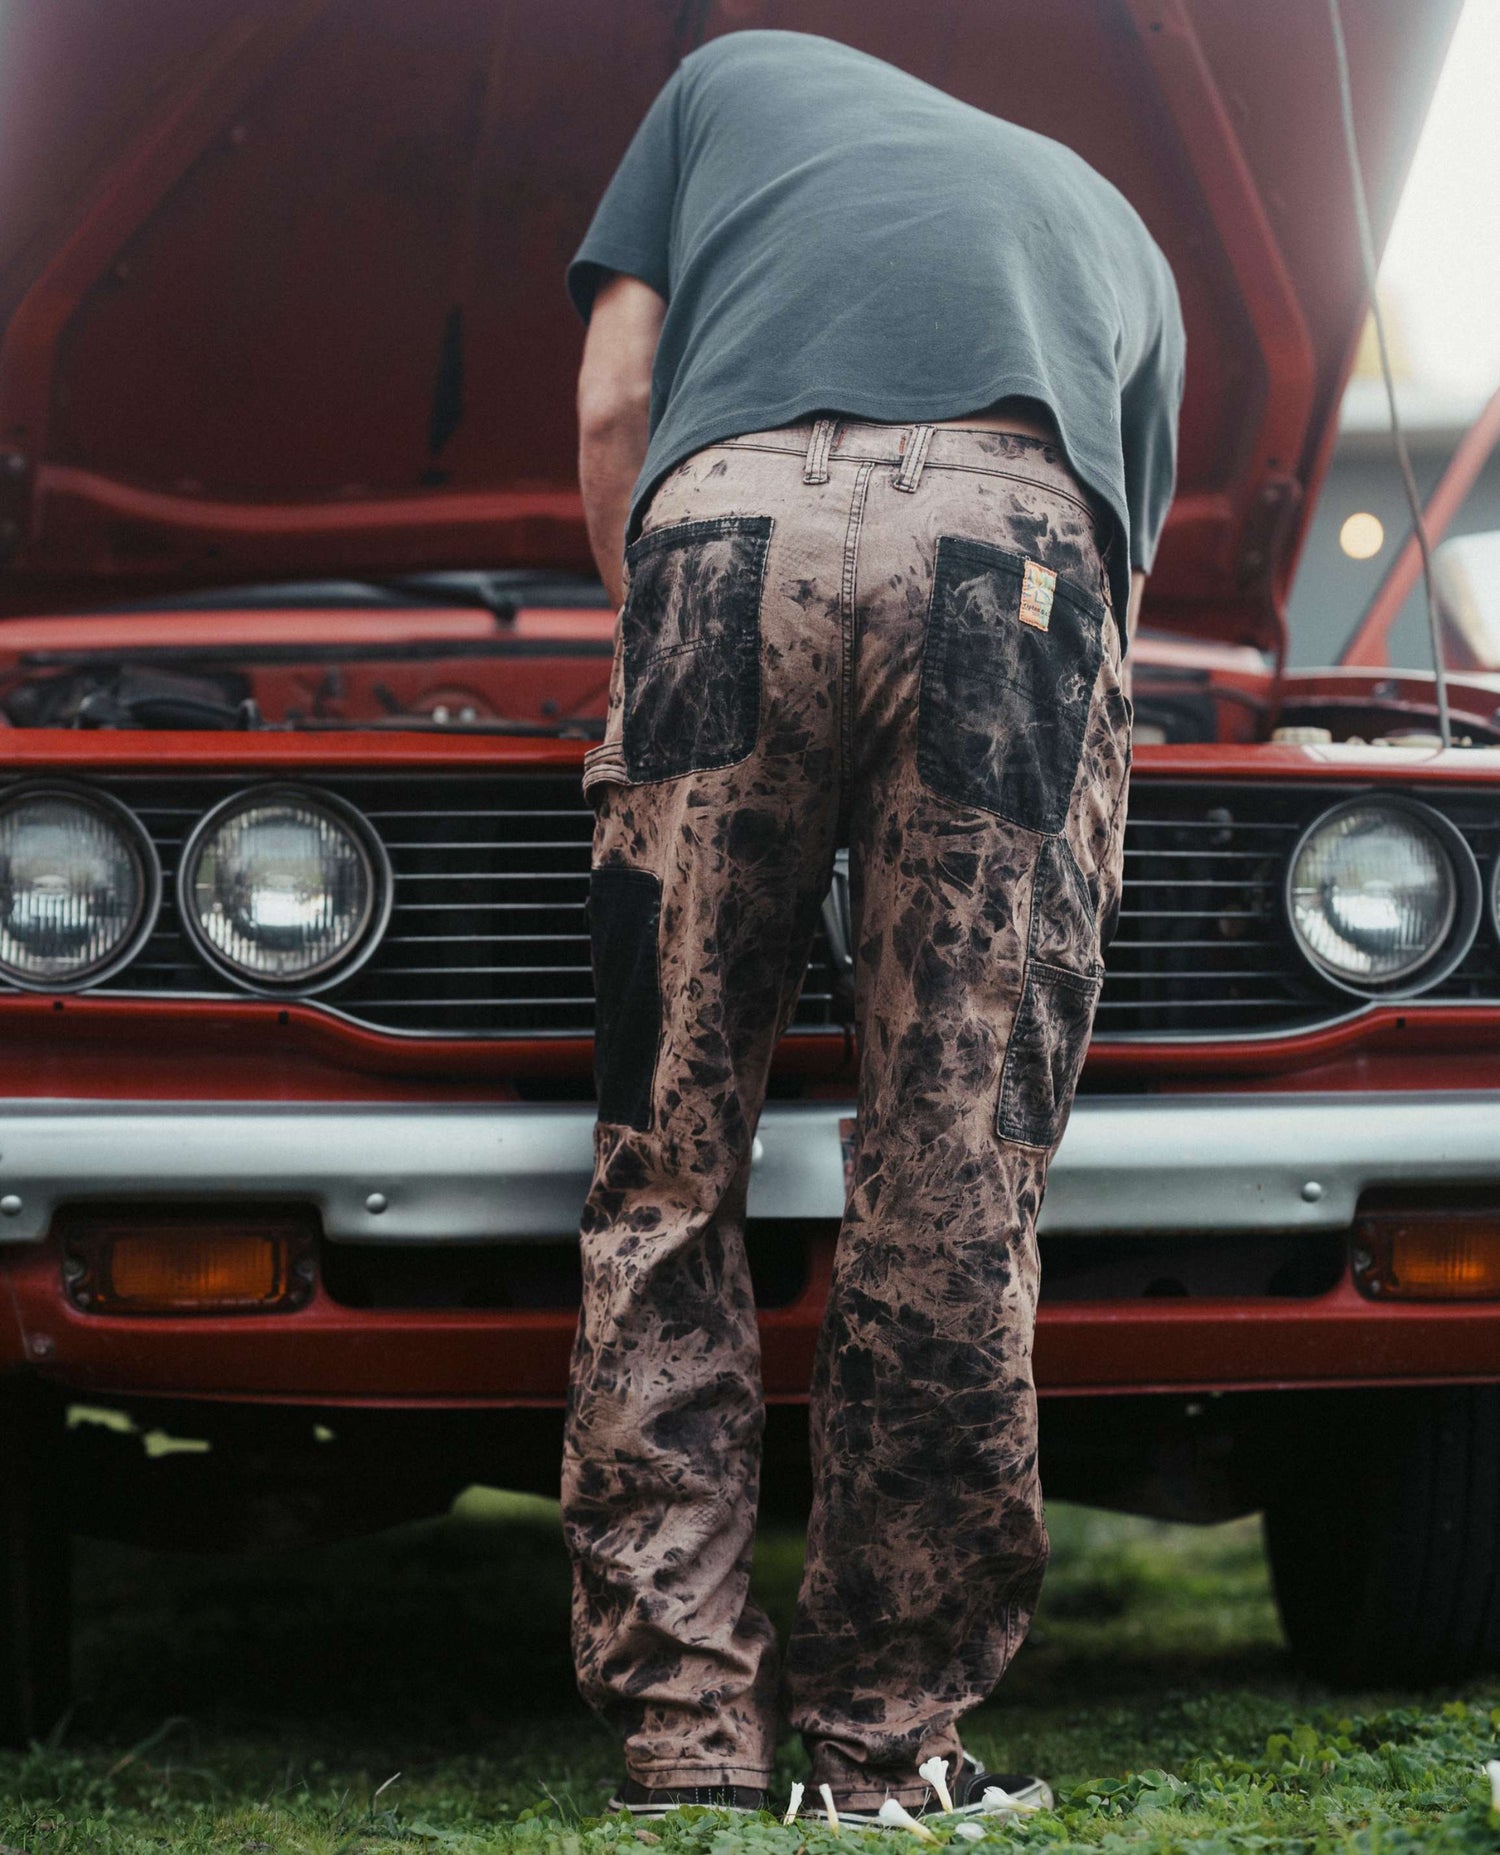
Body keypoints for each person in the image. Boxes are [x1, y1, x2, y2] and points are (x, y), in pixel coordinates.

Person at [561, 27, 1184, 1828]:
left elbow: (618, 403)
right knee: (953, 1174)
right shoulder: (1127, 238)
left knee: (669, 1159)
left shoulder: (722, 77)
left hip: (728, 529)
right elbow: (1117, 590)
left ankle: (684, 1734)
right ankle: (884, 1743)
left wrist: (664, 660)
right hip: (1019, 547)